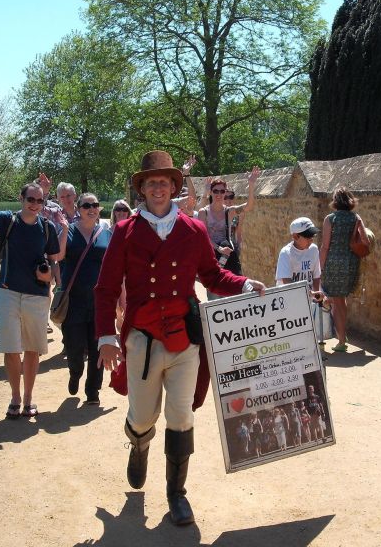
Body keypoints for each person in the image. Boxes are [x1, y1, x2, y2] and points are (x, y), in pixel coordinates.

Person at [95, 150, 267, 526]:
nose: (159, 188)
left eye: (165, 182)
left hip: (184, 339)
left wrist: (242, 283)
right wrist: (106, 336)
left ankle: (177, 494)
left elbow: (212, 276)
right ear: (142, 188)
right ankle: (138, 445)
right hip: (141, 338)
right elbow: (106, 288)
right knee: (142, 418)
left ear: (175, 187)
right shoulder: (125, 233)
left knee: (181, 415)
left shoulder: (193, 230)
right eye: (151, 182)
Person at [0, 159, 68, 419]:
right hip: (8, 293)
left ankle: (28, 399)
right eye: (31, 200)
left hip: (37, 296)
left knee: (32, 349)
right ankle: (15, 397)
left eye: (39, 201)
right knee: (11, 349)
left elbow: (54, 257)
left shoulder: (46, 227)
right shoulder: (7, 221)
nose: (34, 205)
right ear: (21, 199)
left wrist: (48, 273)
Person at [60, 192, 112, 405]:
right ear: (78, 209)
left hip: (99, 300)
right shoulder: (69, 231)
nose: (92, 208)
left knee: (97, 346)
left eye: (95, 205)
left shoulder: (106, 233)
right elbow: (58, 257)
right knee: (74, 346)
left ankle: (93, 391)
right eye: (86, 205)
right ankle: (75, 372)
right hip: (74, 300)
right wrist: (63, 231)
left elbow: (114, 267)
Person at [196, 166, 260, 296]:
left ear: (225, 192)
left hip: (228, 254)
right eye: (215, 191)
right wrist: (219, 249)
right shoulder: (204, 212)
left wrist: (251, 185)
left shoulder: (229, 211)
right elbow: (204, 236)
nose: (219, 194)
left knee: (235, 290)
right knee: (214, 293)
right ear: (211, 192)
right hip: (212, 255)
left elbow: (248, 206)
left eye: (222, 191)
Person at [319, 187, 363, 353]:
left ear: (335, 201)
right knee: (341, 299)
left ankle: (342, 340)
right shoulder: (356, 218)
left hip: (334, 264)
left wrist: (320, 266)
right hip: (351, 262)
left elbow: (325, 246)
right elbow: (363, 238)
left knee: (337, 300)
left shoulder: (330, 219)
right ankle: (342, 332)